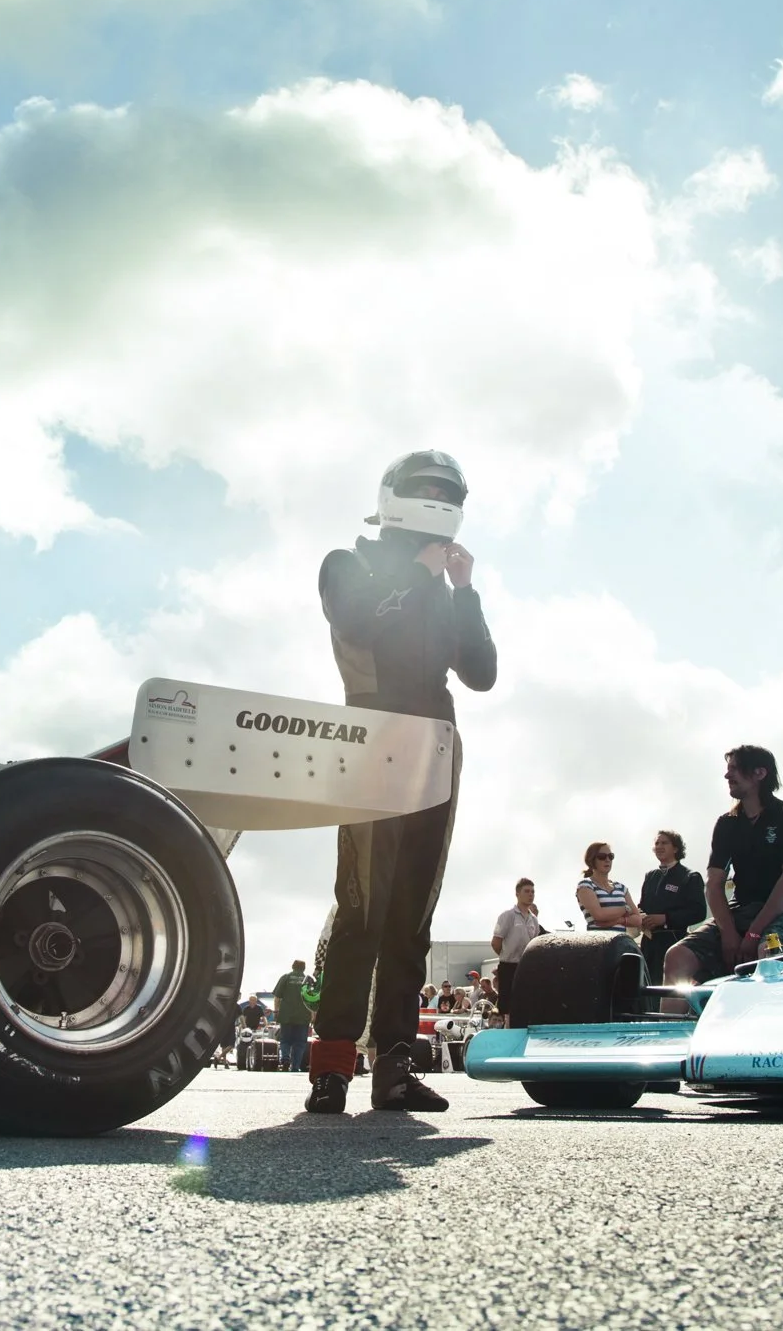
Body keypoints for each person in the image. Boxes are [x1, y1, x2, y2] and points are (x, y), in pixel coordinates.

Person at [306, 451, 498, 1116]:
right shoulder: (347, 564)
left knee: (412, 914)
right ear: (395, 498)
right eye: (431, 491)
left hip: (436, 747)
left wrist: (465, 591)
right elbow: (361, 624)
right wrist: (421, 579)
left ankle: (394, 1067)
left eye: (448, 492)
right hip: (369, 736)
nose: (439, 500)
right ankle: (330, 1068)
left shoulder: (445, 588)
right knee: (362, 905)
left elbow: (481, 672)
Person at [663, 745, 783, 1005]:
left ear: (759, 773)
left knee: (767, 952)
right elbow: (714, 884)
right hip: (739, 912)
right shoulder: (727, 823)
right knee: (677, 956)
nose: (727, 776)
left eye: (734, 769)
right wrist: (729, 934)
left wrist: (754, 934)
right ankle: (671, 1036)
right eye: (727, 769)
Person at [635, 830, 706, 976]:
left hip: (674, 942)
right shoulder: (650, 876)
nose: (659, 846)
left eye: (664, 843)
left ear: (675, 848)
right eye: (657, 843)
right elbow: (643, 906)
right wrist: (638, 915)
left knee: (670, 991)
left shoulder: (690, 876)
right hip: (649, 944)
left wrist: (666, 918)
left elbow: (699, 912)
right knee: (647, 990)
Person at [490, 878, 542, 1023]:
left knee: (525, 1003)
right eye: (527, 891)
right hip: (508, 965)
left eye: (533, 891)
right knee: (507, 1007)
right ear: (517, 894)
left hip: (526, 966)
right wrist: (506, 956)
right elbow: (496, 942)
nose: (530, 894)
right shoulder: (508, 916)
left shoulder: (534, 920)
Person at [575, 842, 639, 931]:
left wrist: (619, 920)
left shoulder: (621, 888)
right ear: (591, 860)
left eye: (610, 856)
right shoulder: (585, 886)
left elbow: (638, 920)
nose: (607, 859)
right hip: (598, 941)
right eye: (602, 856)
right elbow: (599, 915)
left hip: (621, 940)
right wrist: (625, 909)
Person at [272, 960, 314, 1073]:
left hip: (286, 1015)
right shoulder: (308, 980)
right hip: (303, 1016)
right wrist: (313, 1015)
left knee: (285, 1040)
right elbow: (313, 1000)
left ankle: (285, 1059)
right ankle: (295, 1067)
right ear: (304, 968)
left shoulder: (285, 977)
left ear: (292, 966)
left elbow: (277, 997)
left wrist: (276, 1012)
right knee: (300, 1043)